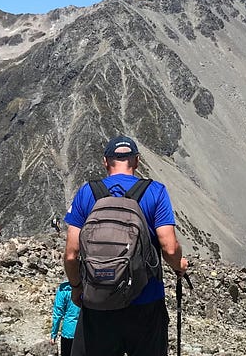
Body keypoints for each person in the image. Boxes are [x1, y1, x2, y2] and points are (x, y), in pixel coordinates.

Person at [63, 135, 189, 356]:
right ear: (137, 161)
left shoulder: (87, 193)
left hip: (98, 301)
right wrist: (179, 265)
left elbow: (71, 255)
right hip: (146, 302)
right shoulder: (156, 191)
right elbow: (169, 248)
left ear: (105, 161)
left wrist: (76, 288)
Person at [50, 281, 80, 356]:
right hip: (84, 332)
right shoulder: (87, 288)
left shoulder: (64, 288)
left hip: (68, 332)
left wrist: (54, 334)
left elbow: (57, 314)